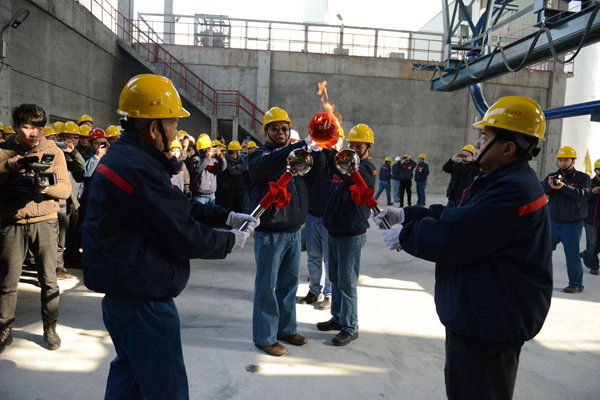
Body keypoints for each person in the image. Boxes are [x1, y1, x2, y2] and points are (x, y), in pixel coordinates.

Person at [83, 74, 256, 400]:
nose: (177, 131)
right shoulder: (137, 167)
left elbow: (174, 205)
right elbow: (180, 231)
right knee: (167, 389)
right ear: (154, 128)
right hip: (142, 301)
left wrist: (224, 216)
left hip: (123, 294)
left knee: (130, 377)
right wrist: (227, 241)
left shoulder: (128, 158)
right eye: (173, 122)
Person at [374, 96, 553, 400]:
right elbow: (457, 214)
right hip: (481, 314)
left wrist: (407, 235)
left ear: (508, 148)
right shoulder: (499, 180)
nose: (478, 142)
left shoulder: (513, 190)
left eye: (485, 136)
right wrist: (408, 214)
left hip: (489, 322)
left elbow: (457, 236)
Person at [248, 106, 326, 357]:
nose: (280, 132)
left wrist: (318, 150)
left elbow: (315, 177)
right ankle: (264, 336)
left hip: (293, 231)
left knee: (289, 286)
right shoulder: (259, 155)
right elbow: (270, 164)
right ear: (266, 132)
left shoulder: (295, 156)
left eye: (284, 128)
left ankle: (286, 329)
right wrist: (300, 146)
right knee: (266, 286)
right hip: (270, 233)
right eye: (275, 129)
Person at [0, 104, 72, 354]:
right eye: (28, 127)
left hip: (45, 221)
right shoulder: (3, 150)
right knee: (7, 282)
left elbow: (66, 190)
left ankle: (50, 327)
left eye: (39, 128)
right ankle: (4, 328)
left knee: (49, 280)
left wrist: (45, 188)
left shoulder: (54, 151)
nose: (34, 133)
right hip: (12, 222)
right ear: (16, 126)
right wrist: (9, 166)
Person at [317, 123, 376, 346]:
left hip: (351, 234)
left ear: (368, 148)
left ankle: (350, 327)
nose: (354, 149)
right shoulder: (341, 166)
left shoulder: (366, 170)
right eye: (352, 145)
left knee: (347, 283)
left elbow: (353, 178)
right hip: (333, 230)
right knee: (335, 279)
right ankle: (338, 318)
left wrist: (331, 150)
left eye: (359, 146)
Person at [542, 146, 591, 293]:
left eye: (566, 160)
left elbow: (582, 194)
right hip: (552, 222)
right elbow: (540, 191)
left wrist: (563, 187)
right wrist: (548, 185)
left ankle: (576, 284)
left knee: (572, 256)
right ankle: (540, 279)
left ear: (573, 161)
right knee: (542, 252)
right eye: (560, 160)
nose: (562, 163)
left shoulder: (583, 178)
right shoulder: (552, 176)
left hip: (572, 225)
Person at [189, 134, 226, 205]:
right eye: (210, 147)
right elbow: (198, 170)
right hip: (199, 196)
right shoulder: (195, 160)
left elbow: (222, 168)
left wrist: (222, 158)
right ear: (207, 149)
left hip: (211, 195)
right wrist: (207, 157)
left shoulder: (213, 160)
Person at [581, 159, 600, 275]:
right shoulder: (589, 183)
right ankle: (594, 266)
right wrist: (593, 192)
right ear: (595, 170)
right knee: (592, 244)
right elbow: (583, 198)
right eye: (599, 169)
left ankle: (586, 254)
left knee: (596, 245)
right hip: (591, 218)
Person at [222, 140, 247, 212]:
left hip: (239, 188)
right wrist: (240, 170)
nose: (240, 151)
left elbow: (245, 167)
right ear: (235, 151)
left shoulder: (240, 159)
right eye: (239, 150)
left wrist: (236, 166)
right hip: (230, 189)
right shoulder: (227, 160)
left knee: (239, 209)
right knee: (228, 209)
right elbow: (231, 172)